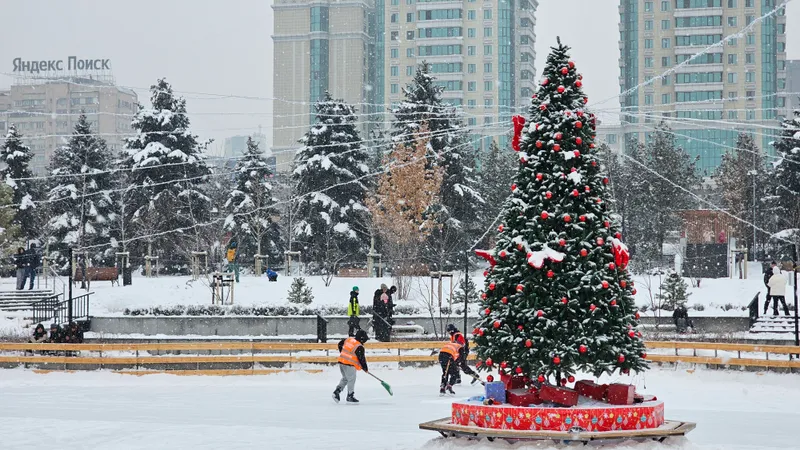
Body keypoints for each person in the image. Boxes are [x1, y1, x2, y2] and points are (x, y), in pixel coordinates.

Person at [332, 329, 369, 404]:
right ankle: (350, 395)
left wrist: (342, 353)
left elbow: (340, 344)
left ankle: (337, 392)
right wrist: (365, 368)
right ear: (362, 338)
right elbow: (362, 359)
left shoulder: (349, 339)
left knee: (345, 378)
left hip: (341, 362)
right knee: (351, 379)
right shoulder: (359, 346)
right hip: (349, 364)